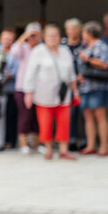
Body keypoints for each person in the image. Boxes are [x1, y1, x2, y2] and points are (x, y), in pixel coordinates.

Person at [23, 23, 80, 160]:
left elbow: (71, 72)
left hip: (63, 93)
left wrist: (75, 91)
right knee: (45, 123)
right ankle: (48, 149)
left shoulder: (65, 50)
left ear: (60, 37)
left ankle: (63, 150)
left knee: (64, 122)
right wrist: (28, 93)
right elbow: (30, 73)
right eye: (50, 35)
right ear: (44, 37)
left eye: (56, 35)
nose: (53, 38)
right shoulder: (38, 51)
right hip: (44, 94)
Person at [77, 20, 108, 156]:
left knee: (100, 116)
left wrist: (88, 60)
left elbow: (105, 64)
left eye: (84, 32)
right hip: (86, 86)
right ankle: (91, 145)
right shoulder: (87, 47)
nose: (82, 34)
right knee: (88, 116)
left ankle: (104, 147)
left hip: (99, 86)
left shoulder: (101, 46)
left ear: (90, 33)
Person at [10, 22, 43, 153]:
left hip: (40, 88)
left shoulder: (42, 48)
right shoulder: (22, 47)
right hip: (22, 88)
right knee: (25, 117)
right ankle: (24, 145)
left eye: (36, 34)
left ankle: (38, 144)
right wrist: (24, 37)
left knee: (38, 118)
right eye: (31, 34)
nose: (33, 37)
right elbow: (13, 51)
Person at [63, 18, 85, 150]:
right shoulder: (62, 45)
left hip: (82, 83)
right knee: (69, 113)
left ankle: (84, 140)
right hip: (66, 85)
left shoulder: (84, 45)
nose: (71, 31)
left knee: (83, 112)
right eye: (69, 28)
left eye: (74, 28)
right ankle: (71, 139)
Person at [0, 27, 19, 148]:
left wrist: (3, 76)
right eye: (5, 38)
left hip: (11, 89)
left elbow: (16, 71)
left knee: (11, 116)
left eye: (10, 39)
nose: (7, 41)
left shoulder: (16, 52)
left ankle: (11, 141)